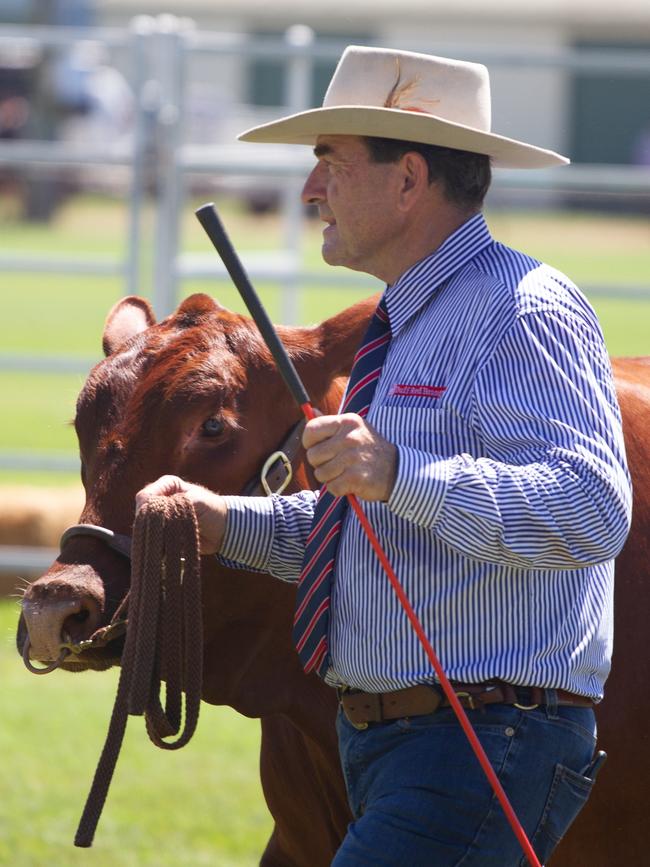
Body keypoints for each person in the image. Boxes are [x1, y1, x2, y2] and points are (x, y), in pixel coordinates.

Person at [137, 46, 632, 865]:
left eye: (330, 161)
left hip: (484, 743)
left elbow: (591, 507)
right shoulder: (408, 325)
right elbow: (363, 532)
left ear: (408, 179)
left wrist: (398, 471)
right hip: (411, 744)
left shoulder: (523, 307)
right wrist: (220, 521)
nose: (308, 190)